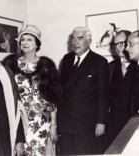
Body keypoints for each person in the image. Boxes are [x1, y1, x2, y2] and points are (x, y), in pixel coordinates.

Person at [4, 25, 62, 156]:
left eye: (29, 39)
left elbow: (53, 98)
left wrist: (54, 125)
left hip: (41, 121)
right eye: (22, 39)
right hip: (19, 120)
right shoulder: (11, 65)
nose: (24, 42)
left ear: (37, 44)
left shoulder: (47, 66)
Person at [57, 26, 109, 155]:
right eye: (73, 39)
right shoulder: (67, 59)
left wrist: (101, 122)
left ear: (89, 41)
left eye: (80, 38)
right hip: (65, 123)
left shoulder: (100, 62)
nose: (75, 42)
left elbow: (103, 94)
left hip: (86, 124)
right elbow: (62, 89)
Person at [106, 30, 137, 147]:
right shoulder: (111, 66)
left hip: (133, 123)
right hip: (113, 124)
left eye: (121, 43)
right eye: (115, 44)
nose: (118, 48)